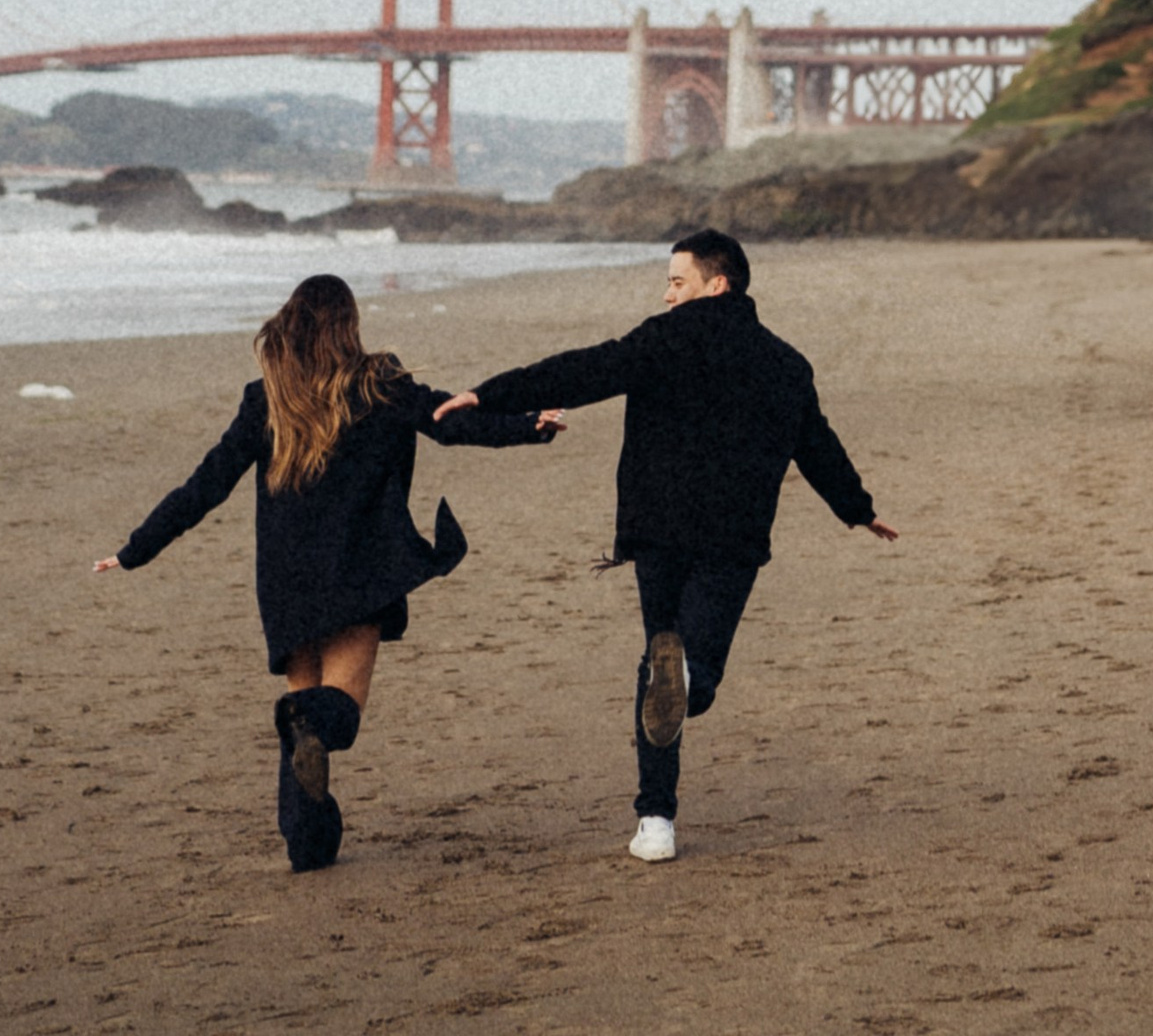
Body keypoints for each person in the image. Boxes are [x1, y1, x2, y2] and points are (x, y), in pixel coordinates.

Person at [439, 225, 895, 863]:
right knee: (691, 673)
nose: (667, 296)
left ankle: (656, 820)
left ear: (719, 283)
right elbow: (815, 445)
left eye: (677, 282)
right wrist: (858, 510)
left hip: (657, 531)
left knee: (660, 665)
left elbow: (584, 369)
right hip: (733, 537)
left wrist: (488, 394)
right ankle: (687, 685)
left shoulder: (664, 340)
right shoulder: (786, 363)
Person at [94, 270, 564, 869]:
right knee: (331, 716)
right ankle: (310, 741)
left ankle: (308, 847)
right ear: (349, 327)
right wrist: (529, 426)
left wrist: (136, 549)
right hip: (358, 576)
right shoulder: (381, 384)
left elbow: (206, 484)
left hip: (287, 585)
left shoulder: (267, 400)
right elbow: (450, 422)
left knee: (302, 723)